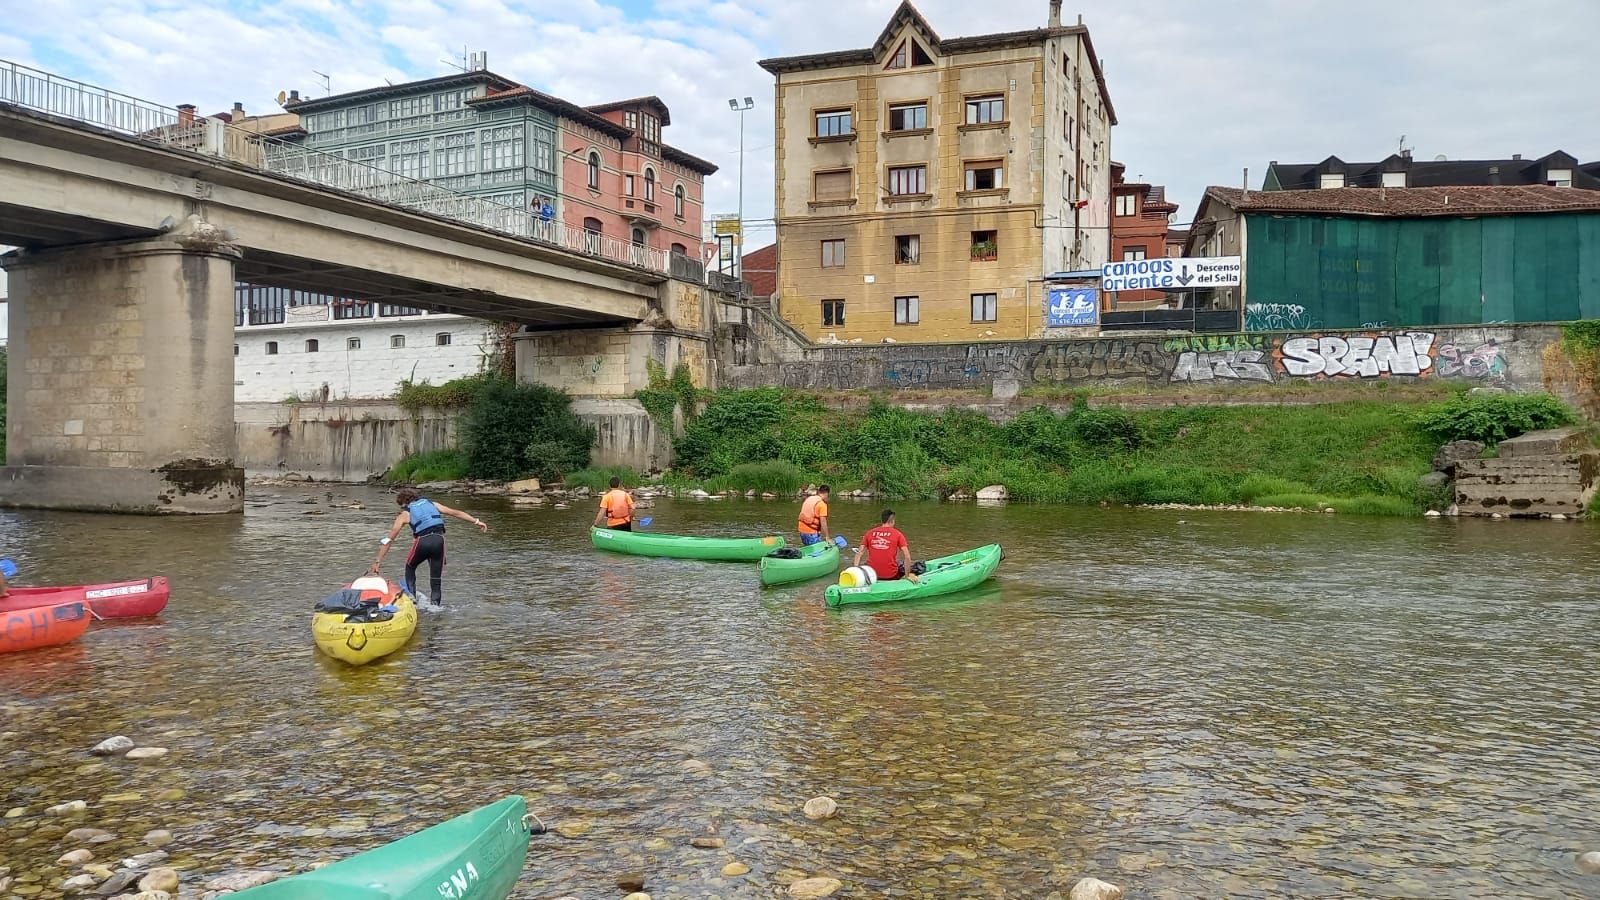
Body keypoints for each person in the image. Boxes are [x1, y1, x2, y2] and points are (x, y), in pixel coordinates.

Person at [368, 488, 487, 607]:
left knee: (410, 567)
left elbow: (389, 539)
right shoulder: (432, 504)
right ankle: (435, 609)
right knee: (436, 580)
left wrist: (377, 562)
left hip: (422, 542)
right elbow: (456, 513)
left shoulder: (405, 513)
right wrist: (477, 521)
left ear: (404, 503)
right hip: (439, 541)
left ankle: (412, 600)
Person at [854, 509, 912, 581]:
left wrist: (855, 571)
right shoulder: (898, 534)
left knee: (866, 564)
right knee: (901, 566)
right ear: (893, 521)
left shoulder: (869, 533)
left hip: (871, 574)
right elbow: (907, 557)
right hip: (890, 575)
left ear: (882, 520)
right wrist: (907, 576)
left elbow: (859, 553)